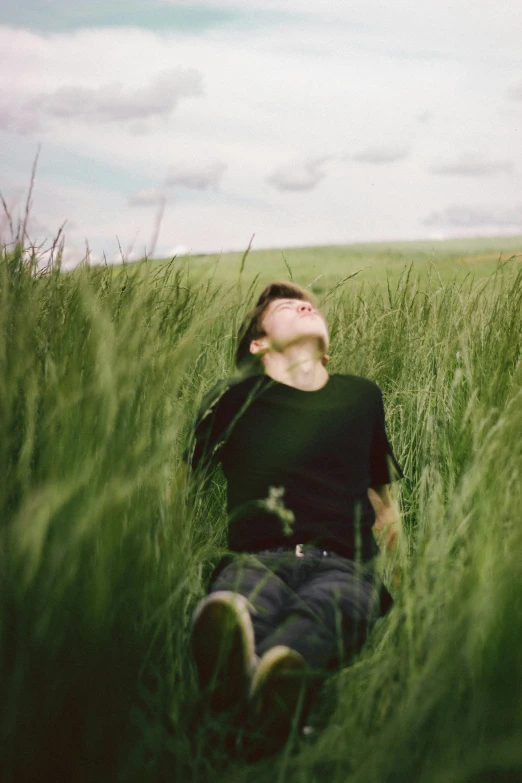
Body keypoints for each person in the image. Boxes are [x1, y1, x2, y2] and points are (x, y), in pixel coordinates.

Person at [183, 281, 403, 757]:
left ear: (326, 353)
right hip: (256, 561)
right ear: (258, 344)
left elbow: (382, 501)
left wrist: (403, 572)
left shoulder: (361, 396)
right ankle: (271, 696)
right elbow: (180, 483)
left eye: (310, 305)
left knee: (328, 608)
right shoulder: (231, 399)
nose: (307, 305)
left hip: (344, 567)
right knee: (236, 607)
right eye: (287, 306)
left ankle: (257, 689)